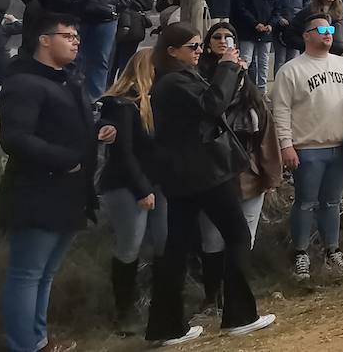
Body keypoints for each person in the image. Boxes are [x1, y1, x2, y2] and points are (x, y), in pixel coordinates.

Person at [145, 22, 275, 345]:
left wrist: (228, 72)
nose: (199, 50)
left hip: (185, 175)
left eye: (198, 45)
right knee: (237, 234)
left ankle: (167, 326)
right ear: (171, 50)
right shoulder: (174, 82)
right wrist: (228, 68)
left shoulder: (174, 79)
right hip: (201, 172)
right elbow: (212, 106)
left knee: (176, 247)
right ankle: (239, 316)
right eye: (193, 46)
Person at [0, 13, 115, 352]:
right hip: (37, 192)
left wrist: (99, 130)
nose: (76, 41)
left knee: (45, 274)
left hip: (70, 192)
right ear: (44, 40)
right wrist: (67, 160)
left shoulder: (68, 80)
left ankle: (38, 339)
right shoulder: (23, 83)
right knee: (26, 274)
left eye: (77, 36)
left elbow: (70, 126)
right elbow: (15, 138)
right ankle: (23, 345)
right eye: (68, 36)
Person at [196, 22, 282, 317]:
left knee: (245, 238)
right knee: (212, 240)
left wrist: (271, 175)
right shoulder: (200, 81)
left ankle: (237, 298)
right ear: (207, 45)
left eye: (229, 36)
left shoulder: (248, 86)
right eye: (217, 37)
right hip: (214, 172)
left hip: (249, 172)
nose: (223, 40)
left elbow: (266, 132)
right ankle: (212, 297)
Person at [271, 13, 343, 282]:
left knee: (332, 202)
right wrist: (286, 145)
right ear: (306, 35)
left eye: (331, 28)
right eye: (321, 28)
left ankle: (332, 251)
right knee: (305, 203)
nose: (327, 32)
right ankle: (301, 254)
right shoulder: (291, 69)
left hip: (340, 145)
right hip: (308, 147)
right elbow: (281, 111)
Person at [98, 48, 166, 336]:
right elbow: (123, 153)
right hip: (128, 186)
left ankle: (162, 306)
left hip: (156, 183)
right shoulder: (122, 104)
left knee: (164, 242)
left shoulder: (154, 100)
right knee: (129, 247)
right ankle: (123, 313)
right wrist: (142, 189)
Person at [232, 0, 280, 92]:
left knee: (263, 63)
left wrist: (271, 24)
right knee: (245, 61)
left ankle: (262, 91)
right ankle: (242, 89)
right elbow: (241, 9)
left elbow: (277, 10)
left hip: (266, 33)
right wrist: (254, 24)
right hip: (248, 32)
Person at [109, 0, 154, 84]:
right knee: (127, 62)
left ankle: (108, 89)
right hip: (134, 26)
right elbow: (149, 3)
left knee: (111, 62)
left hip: (118, 22)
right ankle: (124, 88)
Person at [273, 0, 310, 72]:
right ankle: (278, 83)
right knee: (280, 58)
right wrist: (279, 19)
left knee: (293, 59)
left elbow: (307, 10)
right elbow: (273, 9)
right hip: (280, 30)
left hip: (296, 30)